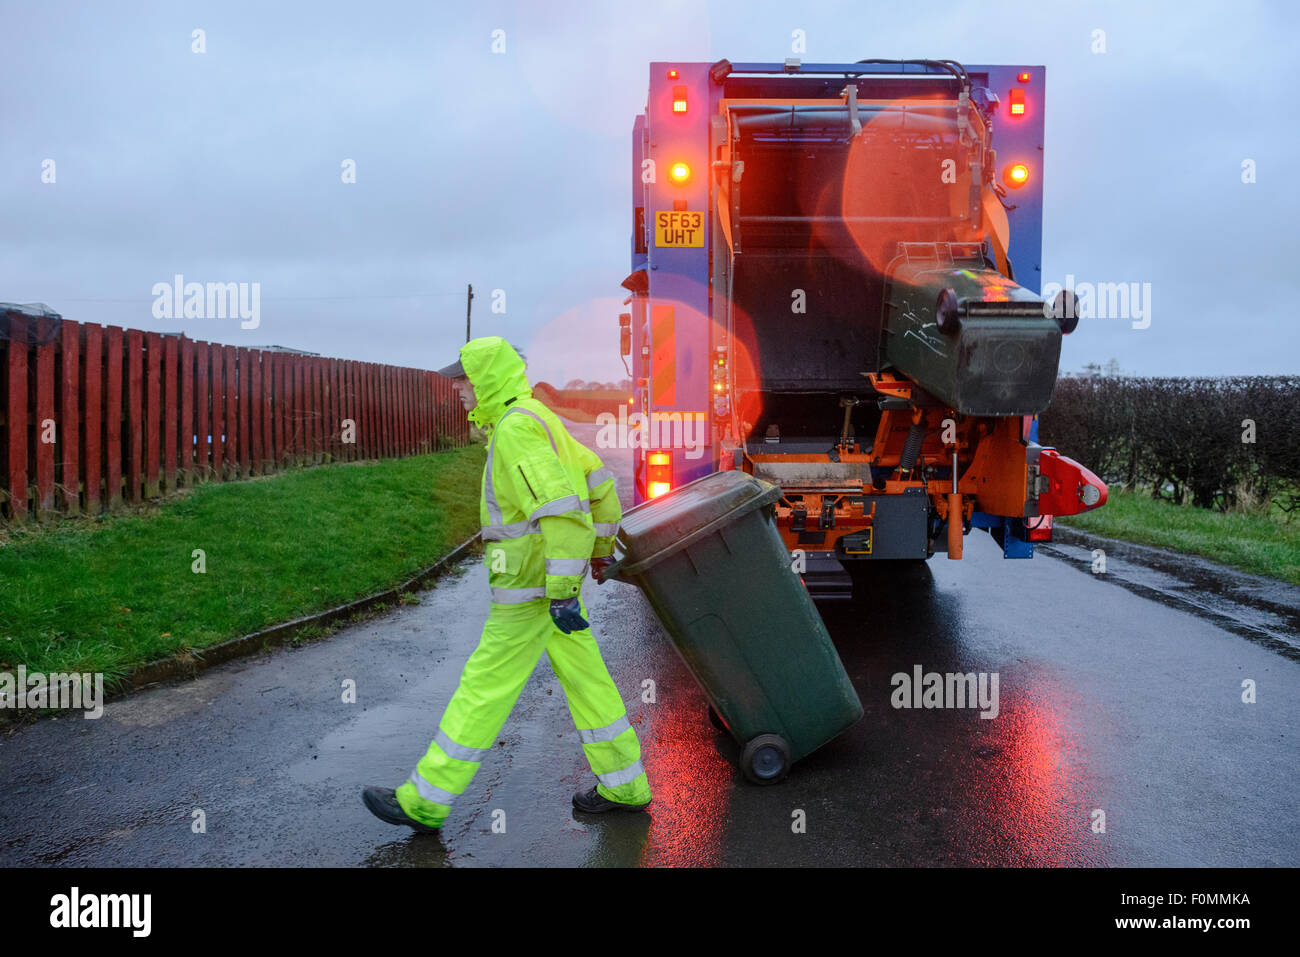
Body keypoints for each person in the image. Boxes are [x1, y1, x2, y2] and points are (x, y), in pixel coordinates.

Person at [362, 336, 652, 834]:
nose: (459, 392)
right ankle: (624, 785)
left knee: (484, 687)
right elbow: (600, 486)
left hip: (532, 593)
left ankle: (426, 800)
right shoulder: (540, 420)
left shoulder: (517, 430)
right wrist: (599, 556)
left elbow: (561, 512)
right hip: (549, 591)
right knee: (589, 684)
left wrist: (560, 591)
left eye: (465, 381)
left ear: (488, 380)